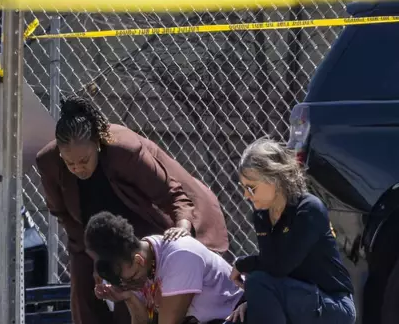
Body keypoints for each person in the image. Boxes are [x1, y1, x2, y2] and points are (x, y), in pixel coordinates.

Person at [35, 95, 230, 324]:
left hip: (141, 222)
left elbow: (171, 194)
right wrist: (95, 257)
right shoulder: (48, 163)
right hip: (91, 236)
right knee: (85, 296)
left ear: (97, 143)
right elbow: (63, 214)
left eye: (84, 160)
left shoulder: (124, 151)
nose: (78, 168)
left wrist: (183, 228)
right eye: (70, 163)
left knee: (132, 282)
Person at [225, 138, 356, 324]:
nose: (246, 195)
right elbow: (268, 263)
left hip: (333, 305)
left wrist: (242, 264)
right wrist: (249, 301)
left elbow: (280, 266)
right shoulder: (262, 214)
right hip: (296, 295)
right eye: (243, 188)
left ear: (274, 179)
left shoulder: (309, 208)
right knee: (242, 314)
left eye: (251, 188)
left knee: (256, 280)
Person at [85, 211, 244, 324]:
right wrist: (128, 297)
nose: (133, 286)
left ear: (139, 260)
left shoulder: (180, 255)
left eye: (131, 281)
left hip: (237, 314)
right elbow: (144, 321)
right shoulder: (137, 268)